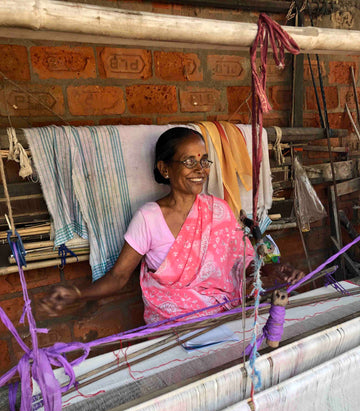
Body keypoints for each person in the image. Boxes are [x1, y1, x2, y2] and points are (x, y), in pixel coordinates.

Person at [40, 127, 303, 323]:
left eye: (204, 160)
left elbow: (244, 266)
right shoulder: (149, 218)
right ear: (165, 169)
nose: (200, 169)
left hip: (225, 320)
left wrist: (275, 270)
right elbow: (118, 277)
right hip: (172, 327)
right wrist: (78, 293)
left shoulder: (218, 210)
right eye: (189, 161)